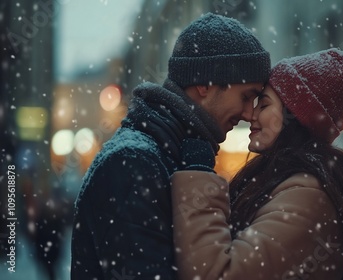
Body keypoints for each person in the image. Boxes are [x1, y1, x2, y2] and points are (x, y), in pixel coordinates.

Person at [70, 13, 270, 279]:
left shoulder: (169, 154)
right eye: (246, 97)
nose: (248, 113)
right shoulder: (133, 163)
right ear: (205, 84)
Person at [171, 48, 343, 280]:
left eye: (264, 105)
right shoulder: (289, 182)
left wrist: (197, 173)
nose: (251, 115)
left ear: (295, 117)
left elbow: (218, 274)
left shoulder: (308, 197)